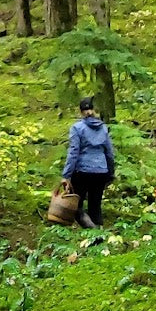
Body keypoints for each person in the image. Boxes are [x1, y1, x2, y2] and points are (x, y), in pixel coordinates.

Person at [61, 96, 115, 228]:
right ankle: (98, 235)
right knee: (95, 206)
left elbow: (73, 152)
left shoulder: (77, 128)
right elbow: (109, 152)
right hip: (101, 171)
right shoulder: (103, 128)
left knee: (77, 207)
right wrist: (110, 172)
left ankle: (93, 231)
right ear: (93, 110)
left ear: (81, 112)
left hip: (82, 172)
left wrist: (66, 175)